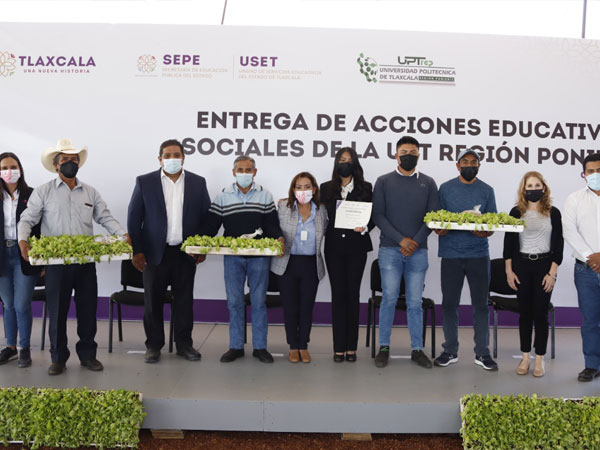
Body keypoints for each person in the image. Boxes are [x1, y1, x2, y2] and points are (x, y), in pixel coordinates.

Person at [18, 138, 129, 376]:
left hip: (85, 262)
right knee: (57, 312)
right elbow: (27, 219)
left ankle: (88, 355)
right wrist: (23, 241)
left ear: (79, 164)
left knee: (87, 310)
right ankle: (58, 358)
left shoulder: (90, 192)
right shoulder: (43, 191)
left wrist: (123, 234)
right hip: (57, 264)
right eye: (65, 159)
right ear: (56, 164)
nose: (70, 163)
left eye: (74, 160)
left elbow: (105, 217)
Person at [127, 139, 211, 364]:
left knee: (184, 301)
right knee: (152, 302)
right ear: (160, 159)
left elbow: (207, 218)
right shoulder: (145, 182)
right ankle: (153, 345)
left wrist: (201, 246)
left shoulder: (197, 182)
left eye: (176, 155)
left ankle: (184, 344)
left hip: (185, 253)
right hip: (154, 253)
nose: (172, 159)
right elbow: (134, 219)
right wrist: (137, 251)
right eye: (168, 155)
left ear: (183, 158)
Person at [202, 156, 284, 364]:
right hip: (233, 258)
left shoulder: (265, 195)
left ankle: (260, 347)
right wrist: (196, 243)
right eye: (240, 169)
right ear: (233, 172)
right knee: (234, 302)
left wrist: (279, 237)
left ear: (255, 172)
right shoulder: (223, 196)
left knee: (259, 302)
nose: (244, 173)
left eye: (248, 170)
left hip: (259, 258)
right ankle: (236, 346)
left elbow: (272, 225)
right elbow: (210, 226)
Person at [372, 136, 439, 369]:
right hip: (390, 250)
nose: (408, 156)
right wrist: (402, 240)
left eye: (413, 152)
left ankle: (417, 349)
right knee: (389, 298)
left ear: (419, 155)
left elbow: (432, 217)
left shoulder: (429, 183)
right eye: (404, 152)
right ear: (396, 155)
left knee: (414, 302)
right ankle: (383, 347)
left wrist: (415, 242)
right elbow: (378, 215)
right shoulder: (383, 181)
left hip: (418, 252)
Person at [433, 148, 498, 371]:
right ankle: (450, 351)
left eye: (473, 162)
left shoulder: (487, 190)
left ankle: (483, 353)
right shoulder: (446, 188)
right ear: (457, 165)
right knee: (449, 304)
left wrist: (485, 231)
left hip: (478, 254)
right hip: (451, 254)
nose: (469, 165)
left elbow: (492, 224)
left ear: (479, 166)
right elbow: (437, 219)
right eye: (465, 162)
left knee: (481, 306)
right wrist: (439, 229)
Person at [503, 171, 563, 377]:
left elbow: (559, 244)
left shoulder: (553, 213)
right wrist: (509, 271)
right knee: (525, 314)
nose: (533, 189)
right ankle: (525, 356)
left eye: (537, 185)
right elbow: (508, 244)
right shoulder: (515, 212)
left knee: (540, 313)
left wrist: (552, 273)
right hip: (521, 265)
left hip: (545, 267)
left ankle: (539, 359)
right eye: (529, 186)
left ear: (543, 188)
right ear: (524, 189)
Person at [320, 147, 374, 362]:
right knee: (338, 296)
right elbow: (315, 211)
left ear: (356, 163)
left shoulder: (366, 187)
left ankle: (351, 347)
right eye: (342, 159)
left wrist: (366, 227)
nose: (345, 163)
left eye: (349, 160)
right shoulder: (326, 188)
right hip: (333, 248)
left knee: (353, 295)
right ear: (336, 163)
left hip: (357, 248)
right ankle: (338, 348)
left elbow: (374, 215)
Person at [271, 172, 327, 364]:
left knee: (306, 307)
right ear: (293, 190)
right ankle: (293, 346)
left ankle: (303, 345)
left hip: (311, 264)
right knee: (290, 307)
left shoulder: (322, 210)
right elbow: (274, 228)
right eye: (299, 187)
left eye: (307, 187)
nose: (303, 190)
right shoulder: (283, 207)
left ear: (314, 189)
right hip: (287, 264)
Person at [0, 152, 41, 368]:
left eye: (13, 167)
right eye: (4, 168)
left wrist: (42, 259)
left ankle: (24, 347)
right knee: (8, 304)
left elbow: (41, 226)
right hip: (2, 255)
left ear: (20, 169)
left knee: (21, 304)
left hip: (24, 254)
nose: (9, 171)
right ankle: (11, 347)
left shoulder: (32, 195)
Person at [563, 153, 600, 382]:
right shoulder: (574, 199)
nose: (595, 175)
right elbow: (569, 231)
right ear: (583, 174)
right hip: (585, 270)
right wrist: (591, 257)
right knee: (590, 321)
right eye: (591, 171)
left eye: (599, 170)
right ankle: (592, 365)